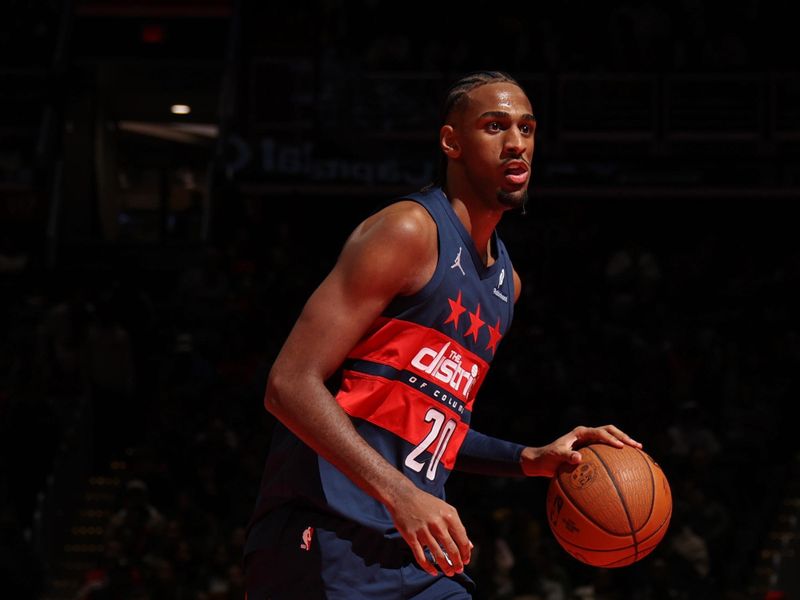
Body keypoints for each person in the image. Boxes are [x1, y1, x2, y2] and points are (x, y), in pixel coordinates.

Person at [243, 70, 642, 599]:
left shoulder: (507, 285)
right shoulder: (408, 231)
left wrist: (529, 459)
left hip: (416, 551)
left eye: (526, 128)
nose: (516, 142)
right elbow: (289, 384)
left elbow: (432, 427)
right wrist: (401, 494)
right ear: (451, 141)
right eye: (494, 126)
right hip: (323, 537)